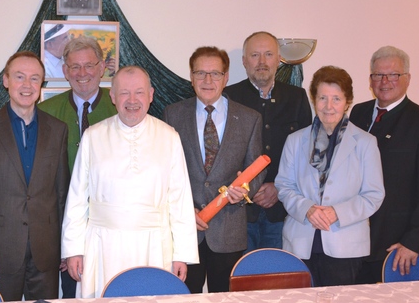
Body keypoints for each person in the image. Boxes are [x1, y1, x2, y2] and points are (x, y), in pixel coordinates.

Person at [62, 66, 199, 298]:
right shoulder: (92, 136)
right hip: (103, 246)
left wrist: (181, 255)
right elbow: (76, 198)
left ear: (151, 95)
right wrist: (74, 250)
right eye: (124, 93)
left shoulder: (169, 137)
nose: (132, 100)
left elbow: (180, 200)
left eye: (139, 92)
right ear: (113, 97)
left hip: (155, 246)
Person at [0, 51, 70, 301]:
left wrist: (66, 247)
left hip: (46, 252)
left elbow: (62, 194)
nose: (27, 85)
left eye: (34, 79)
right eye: (19, 77)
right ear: (6, 80)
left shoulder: (58, 130)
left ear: (41, 84)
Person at [163, 47, 265, 293]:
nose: (208, 81)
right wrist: (185, 211)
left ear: (226, 77)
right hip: (186, 230)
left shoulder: (250, 118)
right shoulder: (173, 115)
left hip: (229, 230)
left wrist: (246, 189)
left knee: (226, 299)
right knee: (183, 298)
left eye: (215, 74)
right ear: (191, 76)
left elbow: (256, 170)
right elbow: (163, 172)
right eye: (200, 73)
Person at [274, 66, 385, 286]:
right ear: (314, 99)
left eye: (336, 98)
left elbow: (373, 194)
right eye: (322, 98)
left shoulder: (365, 143)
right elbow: (284, 186)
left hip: (346, 245)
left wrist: (337, 212)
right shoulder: (295, 140)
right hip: (300, 243)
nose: (329, 106)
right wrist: (308, 209)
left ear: (347, 101)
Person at [349, 46, 419, 283]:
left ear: (407, 79)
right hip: (352, 239)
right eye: (377, 75)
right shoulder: (357, 114)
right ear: (370, 79)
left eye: (393, 74)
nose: (384, 81)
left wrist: (413, 242)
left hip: (393, 245)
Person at [37, 36, 117, 297]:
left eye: (89, 65)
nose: (82, 74)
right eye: (74, 67)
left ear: (102, 67)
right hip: (64, 224)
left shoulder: (121, 109)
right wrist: (59, 242)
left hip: (112, 226)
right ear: (64, 71)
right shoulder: (45, 112)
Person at [224, 31, 312, 252]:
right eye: (254, 55)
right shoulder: (228, 97)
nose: (262, 62)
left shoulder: (297, 97)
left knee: (277, 278)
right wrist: (249, 189)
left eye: (268, 54)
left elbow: (306, 155)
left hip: (282, 211)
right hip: (240, 213)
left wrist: (278, 188)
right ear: (244, 61)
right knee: (241, 280)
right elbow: (223, 156)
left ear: (279, 58)